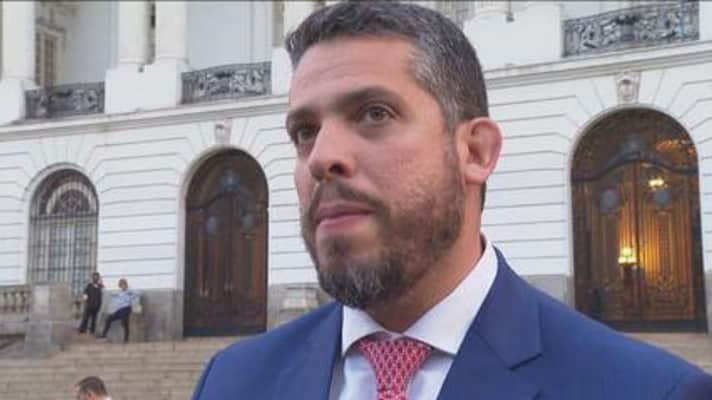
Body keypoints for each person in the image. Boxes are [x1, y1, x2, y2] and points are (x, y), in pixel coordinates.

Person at [193, 2, 712, 399]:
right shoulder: (231, 382)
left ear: (475, 151)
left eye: (374, 114)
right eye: (305, 131)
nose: (321, 158)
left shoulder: (648, 391)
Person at [99, 278, 139, 343]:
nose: (122, 286)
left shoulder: (129, 291)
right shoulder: (120, 292)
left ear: (126, 285)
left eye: (124, 284)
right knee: (112, 320)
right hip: (120, 309)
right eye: (121, 285)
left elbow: (137, 294)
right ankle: (104, 336)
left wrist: (130, 292)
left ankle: (125, 339)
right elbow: (113, 295)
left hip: (126, 308)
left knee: (124, 323)